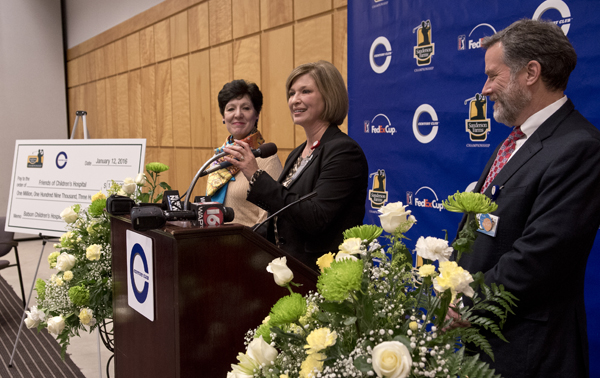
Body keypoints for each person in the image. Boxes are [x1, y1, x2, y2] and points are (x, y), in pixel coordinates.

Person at [454, 19, 600, 378]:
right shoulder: (516, 140)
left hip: (532, 354)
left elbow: (540, 256)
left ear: (531, 72)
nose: (484, 89)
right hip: (487, 343)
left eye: (493, 75)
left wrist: (465, 304)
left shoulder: (579, 147)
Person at [222, 61, 368, 270]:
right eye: (291, 93)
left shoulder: (343, 152)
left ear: (329, 96)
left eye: (305, 91)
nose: (295, 100)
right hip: (290, 269)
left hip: (322, 276)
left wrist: (255, 175)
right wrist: (235, 240)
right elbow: (281, 217)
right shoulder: (297, 153)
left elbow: (315, 218)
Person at [206, 80, 282, 227]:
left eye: (246, 108)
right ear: (223, 116)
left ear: (257, 114)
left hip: (249, 246)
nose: (238, 114)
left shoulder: (266, 159)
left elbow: (270, 218)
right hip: (216, 243)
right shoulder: (219, 158)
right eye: (230, 109)